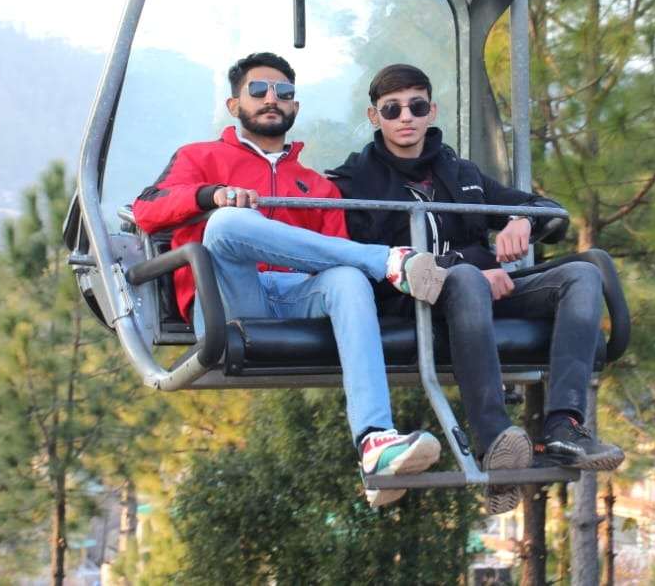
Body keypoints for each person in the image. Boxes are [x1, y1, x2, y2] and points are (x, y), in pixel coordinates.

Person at [132, 52, 448, 507]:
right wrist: (211, 195)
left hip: (295, 299)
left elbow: (334, 260)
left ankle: (375, 443)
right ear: (234, 105)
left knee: (348, 279)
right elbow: (147, 209)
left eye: (283, 92)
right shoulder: (199, 158)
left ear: (295, 107)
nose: (271, 99)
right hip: (228, 299)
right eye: (258, 90)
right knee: (227, 222)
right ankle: (387, 261)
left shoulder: (317, 187)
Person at [327, 63, 625, 515]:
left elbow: (551, 212)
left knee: (582, 275)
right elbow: (366, 258)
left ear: (431, 111)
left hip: (482, 294)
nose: (406, 117)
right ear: (375, 117)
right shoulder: (355, 183)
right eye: (392, 109)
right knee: (467, 279)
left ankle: (564, 425)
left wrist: (522, 219)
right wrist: (463, 267)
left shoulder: (460, 173)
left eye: (416, 106)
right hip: (410, 302)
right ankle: (494, 439)